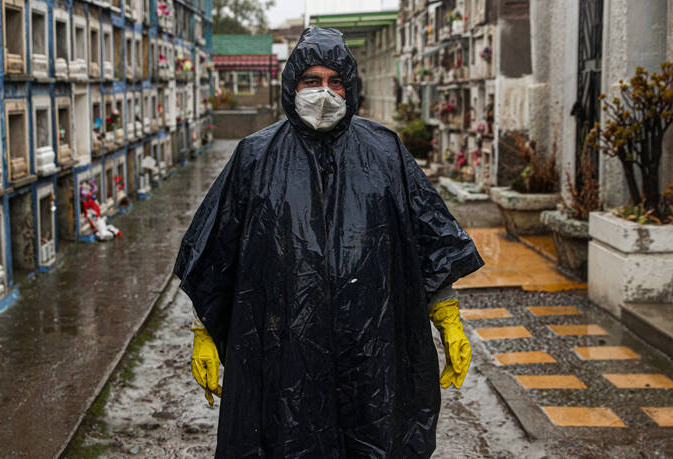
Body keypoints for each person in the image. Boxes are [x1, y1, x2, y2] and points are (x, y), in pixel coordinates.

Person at [174, 27, 484, 458]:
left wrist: (447, 314)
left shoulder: (385, 152)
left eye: (335, 81)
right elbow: (217, 250)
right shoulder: (255, 157)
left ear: (350, 86)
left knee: (373, 440)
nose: (324, 93)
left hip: (371, 351)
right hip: (285, 354)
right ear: (293, 85)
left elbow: (426, 240)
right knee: (286, 440)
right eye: (312, 81)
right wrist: (203, 330)